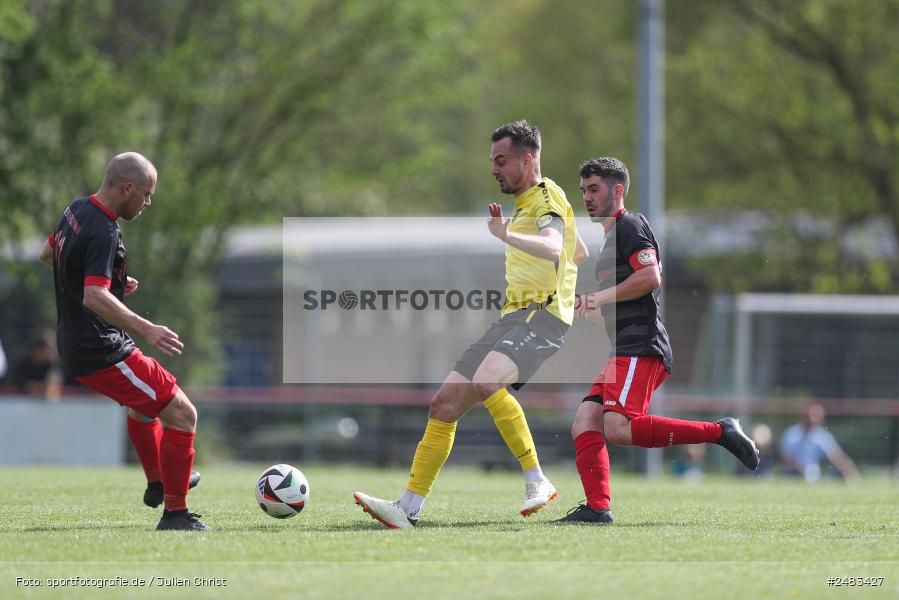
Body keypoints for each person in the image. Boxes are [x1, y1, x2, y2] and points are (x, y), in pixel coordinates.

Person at [354, 120, 589, 528]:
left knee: (486, 381)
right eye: (492, 162)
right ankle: (407, 508)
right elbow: (576, 250)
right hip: (514, 318)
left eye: (501, 161)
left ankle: (537, 479)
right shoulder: (535, 202)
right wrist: (564, 264)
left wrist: (507, 236)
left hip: (541, 316)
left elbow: (554, 246)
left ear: (526, 159)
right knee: (443, 405)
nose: (494, 169)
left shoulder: (545, 197)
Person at [556, 157, 759, 524]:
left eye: (594, 189)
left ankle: (720, 432)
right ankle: (598, 508)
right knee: (586, 419)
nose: (586, 197)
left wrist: (598, 298)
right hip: (624, 347)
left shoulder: (629, 225)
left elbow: (650, 277)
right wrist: (580, 308)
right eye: (583, 190)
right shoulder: (609, 240)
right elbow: (620, 303)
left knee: (619, 428)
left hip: (641, 345)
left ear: (617, 191)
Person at [39, 152, 208, 531]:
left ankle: (158, 483)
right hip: (99, 347)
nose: (148, 203)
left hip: (78, 342)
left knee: (146, 407)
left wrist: (113, 283)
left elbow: (51, 254)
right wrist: (147, 328)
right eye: (146, 194)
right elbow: (93, 297)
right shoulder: (104, 229)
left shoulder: (77, 208)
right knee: (183, 413)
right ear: (128, 188)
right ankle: (176, 514)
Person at [780, 403, 860, 483]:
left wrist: (850, 474)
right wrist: (801, 468)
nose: (813, 418)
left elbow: (837, 456)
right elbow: (786, 458)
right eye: (811, 415)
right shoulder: (792, 433)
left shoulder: (823, 436)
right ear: (805, 416)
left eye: (817, 416)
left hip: (813, 472)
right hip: (793, 472)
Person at [12, 331, 63, 401]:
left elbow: (53, 387)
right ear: (38, 350)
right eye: (49, 349)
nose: (52, 352)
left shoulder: (53, 364)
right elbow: (23, 386)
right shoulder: (23, 364)